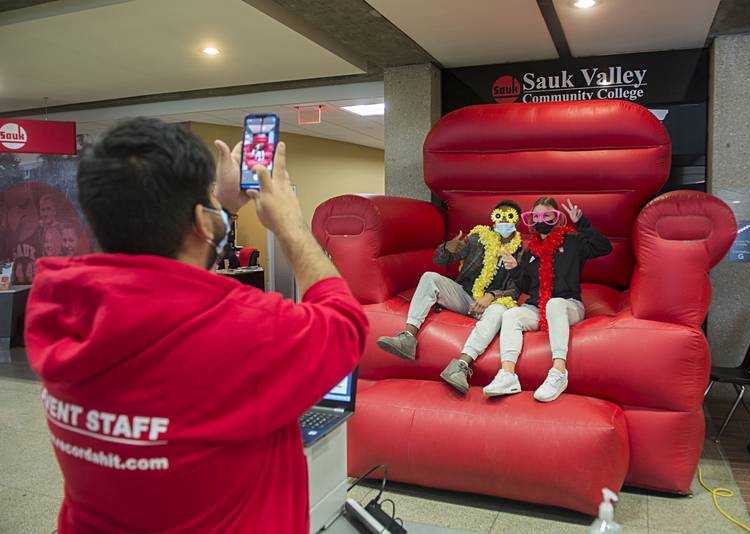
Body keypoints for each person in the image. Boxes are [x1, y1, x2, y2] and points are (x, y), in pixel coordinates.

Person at [24, 118, 368, 533]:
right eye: (207, 199)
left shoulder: (58, 305)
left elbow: (166, 275)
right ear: (200, 223)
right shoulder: (246, 330)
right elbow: (346, 325)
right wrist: (290, 225)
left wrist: (220, 205)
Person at [377, 200, 524, 394]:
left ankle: (461, 367)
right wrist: (448, 248)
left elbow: (518, 288)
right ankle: (408, 337)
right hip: (464, 295)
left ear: (517, 222)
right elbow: (440, 260)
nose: (503, 221)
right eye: (499, 216)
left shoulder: (521, 250)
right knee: (430, 278)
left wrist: (491, 295)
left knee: (499, 312)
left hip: (492, 305)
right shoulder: (477, 238)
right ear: (493, 219)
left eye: (509, 217)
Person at [494, 197, 612, 402]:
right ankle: (507, 375)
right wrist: (514, 269)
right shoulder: (530, 251)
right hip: (538, 307)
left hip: (568, 305)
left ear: (557, 218)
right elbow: (525, 287)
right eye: (536, 216)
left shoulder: (573, 241)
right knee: (511, 314)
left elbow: (604, 247)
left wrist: (581, 221)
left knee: (554, 304)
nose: (541, 220)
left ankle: (558, 372)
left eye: (547, 215)